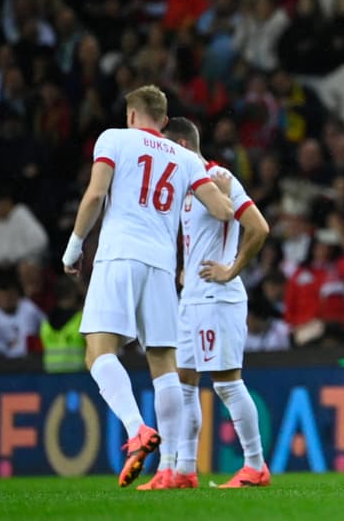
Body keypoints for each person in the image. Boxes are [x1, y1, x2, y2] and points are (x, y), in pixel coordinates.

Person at [61, 85, 234, 488]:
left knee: (97, 351)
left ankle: (137, 428)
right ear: (163, 117)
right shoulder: (188, 159)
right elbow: (222, 210)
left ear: (133, 116)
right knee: (163, 363)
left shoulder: (114, 139)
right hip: (160, 265)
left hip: (119, 254)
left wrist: (73, 249)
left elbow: (96, 194)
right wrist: (224, 189)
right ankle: (172, 467)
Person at [133, 117, 270, 490]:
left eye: (166, 146)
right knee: (185, 384)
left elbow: (258, 227)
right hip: (191, 297)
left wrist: (232, 269)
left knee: (226, 384)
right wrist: (185, 270)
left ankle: (255, 466)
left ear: (180, 143)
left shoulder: (218, 176)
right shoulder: (186, 185)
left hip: (217, 298)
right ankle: (184, 471)